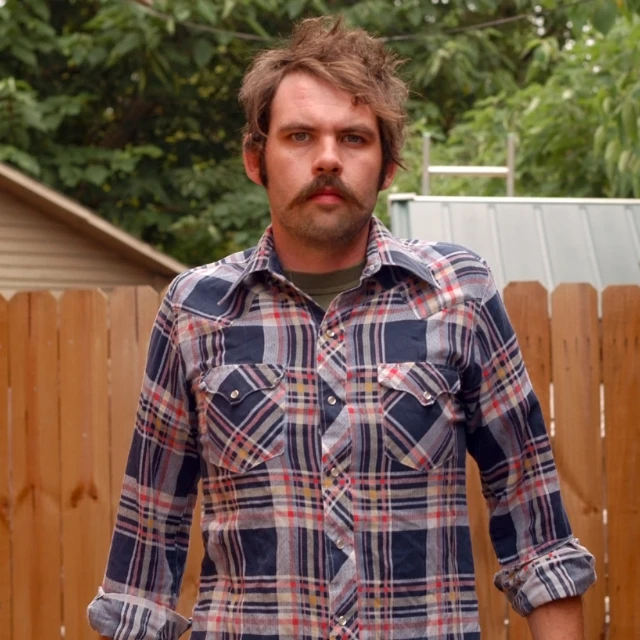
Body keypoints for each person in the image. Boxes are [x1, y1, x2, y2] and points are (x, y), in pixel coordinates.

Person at [87, 16, 595, 640]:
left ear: (386, 166)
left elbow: (534, 517)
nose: (327, 158)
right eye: (300, 135)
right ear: (256, 158)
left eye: (353, 138)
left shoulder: (457, 294)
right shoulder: (196, 310)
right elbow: (148, 543)